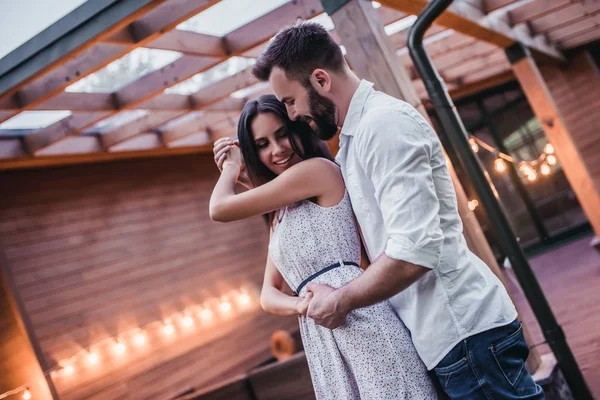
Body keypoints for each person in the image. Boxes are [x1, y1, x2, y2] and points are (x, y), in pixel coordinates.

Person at [248, 21, 544, 399]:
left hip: (465, 334)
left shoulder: (384, 126)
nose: (290, 115)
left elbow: (413, 252)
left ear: (321, 81)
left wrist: (340, 300)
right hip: (448, 341)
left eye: (290, 100)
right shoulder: (354, 143)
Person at [210, 94, 437, 399]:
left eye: (282, 134)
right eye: (262, 144)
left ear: (297, 129)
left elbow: (219, 209)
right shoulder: (280, 213)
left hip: (358, 317)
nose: (277, 149)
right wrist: (302, 305)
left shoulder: (317, 171)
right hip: (320, 332)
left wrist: (231, 169)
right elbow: (267, 295)